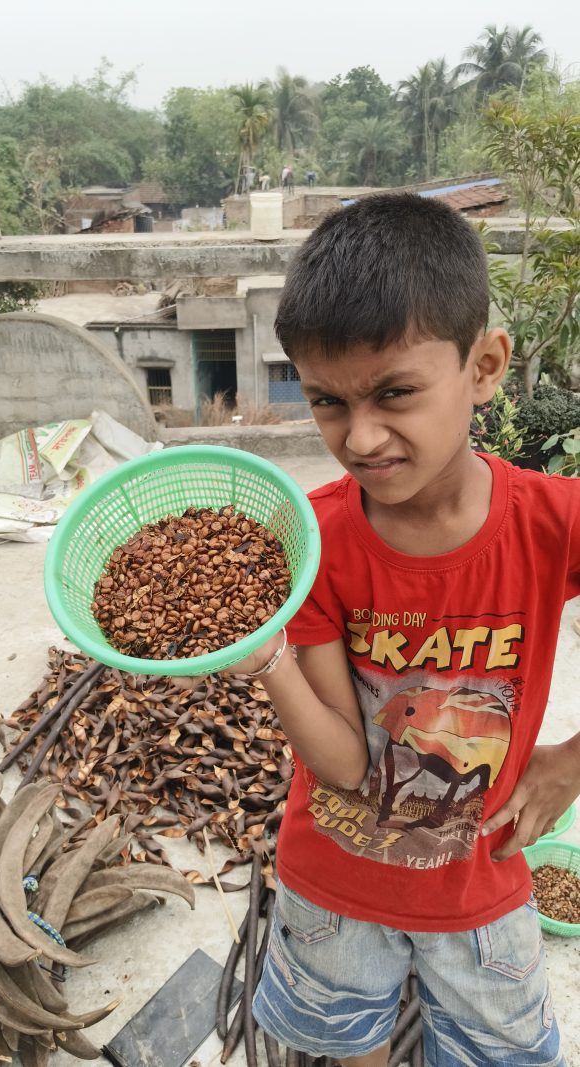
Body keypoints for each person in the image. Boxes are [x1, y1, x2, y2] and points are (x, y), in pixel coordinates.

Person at [180, 193, 580, 1064]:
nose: (360, 437)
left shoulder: (554, 521)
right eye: (327, 402)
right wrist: (270, 658)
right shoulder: (311, 541)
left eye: (394, 392)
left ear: (484, 365)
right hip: (334, 886)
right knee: (345, 1046)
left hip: (481, 888)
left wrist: (572, 758)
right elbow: (350, 764)